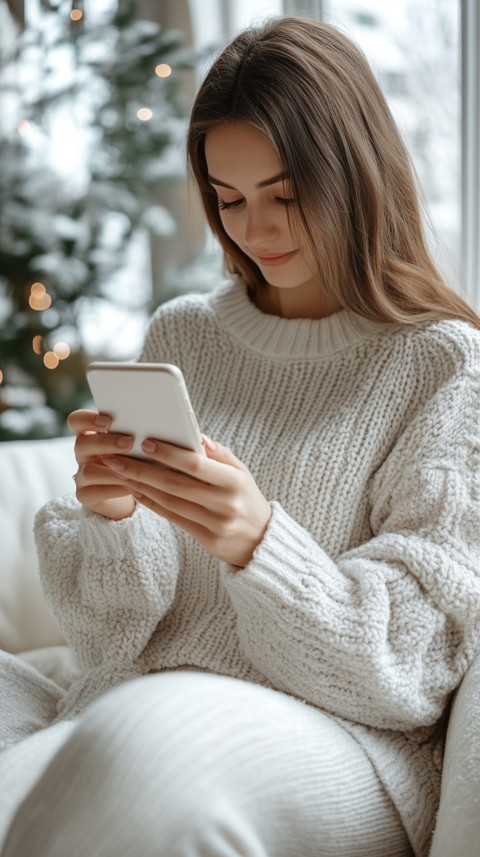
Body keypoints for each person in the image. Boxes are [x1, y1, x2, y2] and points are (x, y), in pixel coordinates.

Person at [1, 15, 479, 857]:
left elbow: (408, 670)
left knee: (147, 743)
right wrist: (113, 514)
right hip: (140, 695)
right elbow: (110, 638)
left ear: (356, 174)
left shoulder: (443, 367)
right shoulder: (185, 335)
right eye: (231, 200)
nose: (256, 233)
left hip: (343, 739)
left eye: (286, 195)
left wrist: (258, 541)